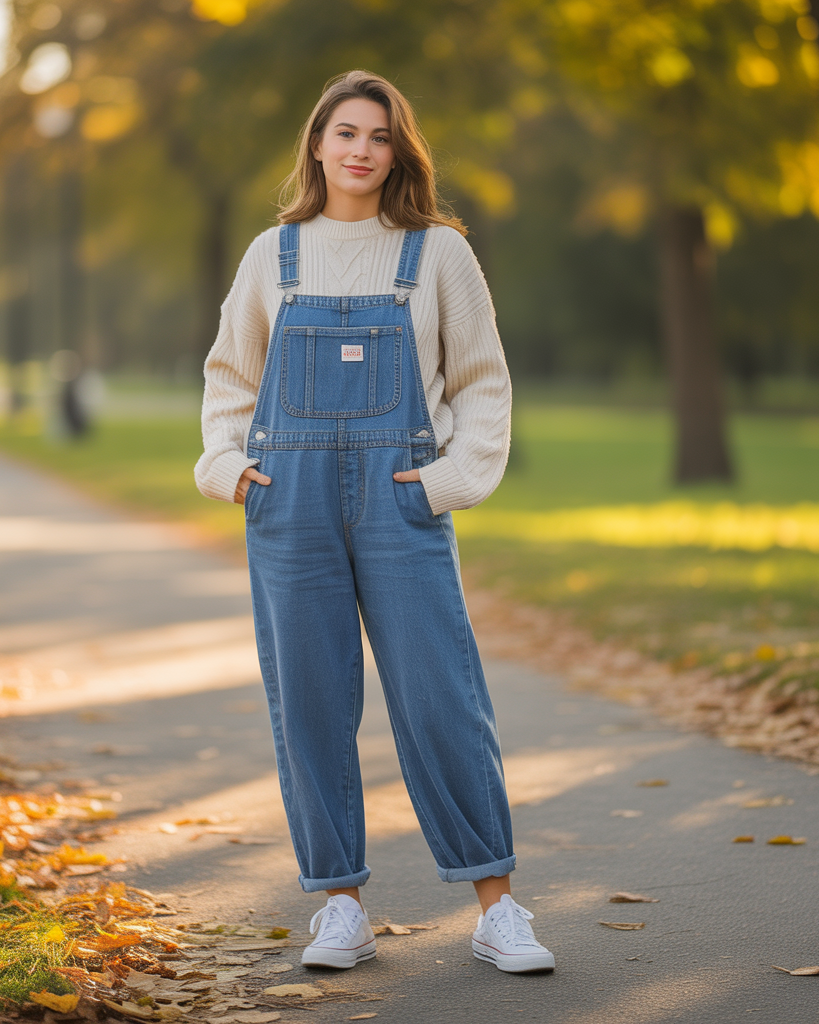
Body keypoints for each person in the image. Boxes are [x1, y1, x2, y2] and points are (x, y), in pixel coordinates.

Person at [195, 70, 554, 975]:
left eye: (380, 136)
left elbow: (481, 382)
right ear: (317, 145)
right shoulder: (272, 254)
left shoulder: (438, 255)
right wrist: (230, 466)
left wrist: (449, 482)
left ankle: (497, 906)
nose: (361, 149)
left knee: (443, 699)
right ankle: (340, 908)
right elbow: (230, 378)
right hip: (290, 503)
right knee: (310, 703)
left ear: (400, 151)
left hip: (402, 498)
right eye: (345, 132)